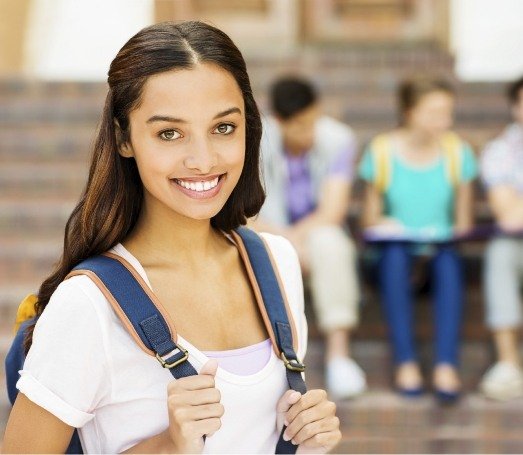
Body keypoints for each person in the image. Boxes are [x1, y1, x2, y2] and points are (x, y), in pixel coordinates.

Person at [3, 22, 341, 454]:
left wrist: (308, 437)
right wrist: (165, 445)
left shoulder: (276, 263)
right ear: (125, 138)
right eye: (169, 133)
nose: (203, 160)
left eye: (223, 128)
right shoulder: (89, 304)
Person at [358, 77, 477, 401]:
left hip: (439, 253)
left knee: (449, 260)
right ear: (410, 112)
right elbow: (370, 220)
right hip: (391, 257)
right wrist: (389, 224)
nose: (445, 121)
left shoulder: (457, 152)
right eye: (436, 112)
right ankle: (405, 361)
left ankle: (445, 366)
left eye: (448, 112)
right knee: (396, 254)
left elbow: (464, 224)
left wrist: (445, 233)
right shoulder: (382, 151)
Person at [251, 77, 366, 399]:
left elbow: (333, 211)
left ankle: (339, 354)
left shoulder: (339, 139)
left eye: (314, 121)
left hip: (316, 234)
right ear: (278, 121)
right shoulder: (256, 140)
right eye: (301, 126)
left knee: (331, 243)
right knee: (254, 244)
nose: (310, 132)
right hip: (270, 231)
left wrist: (295, 242)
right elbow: (248, 215)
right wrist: (288, 243)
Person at [479, 76, 523, 400]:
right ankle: (508, 362)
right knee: (500, 251)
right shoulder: (499, 151)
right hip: (517, 242)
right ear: (515, 108)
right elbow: (509, 217)